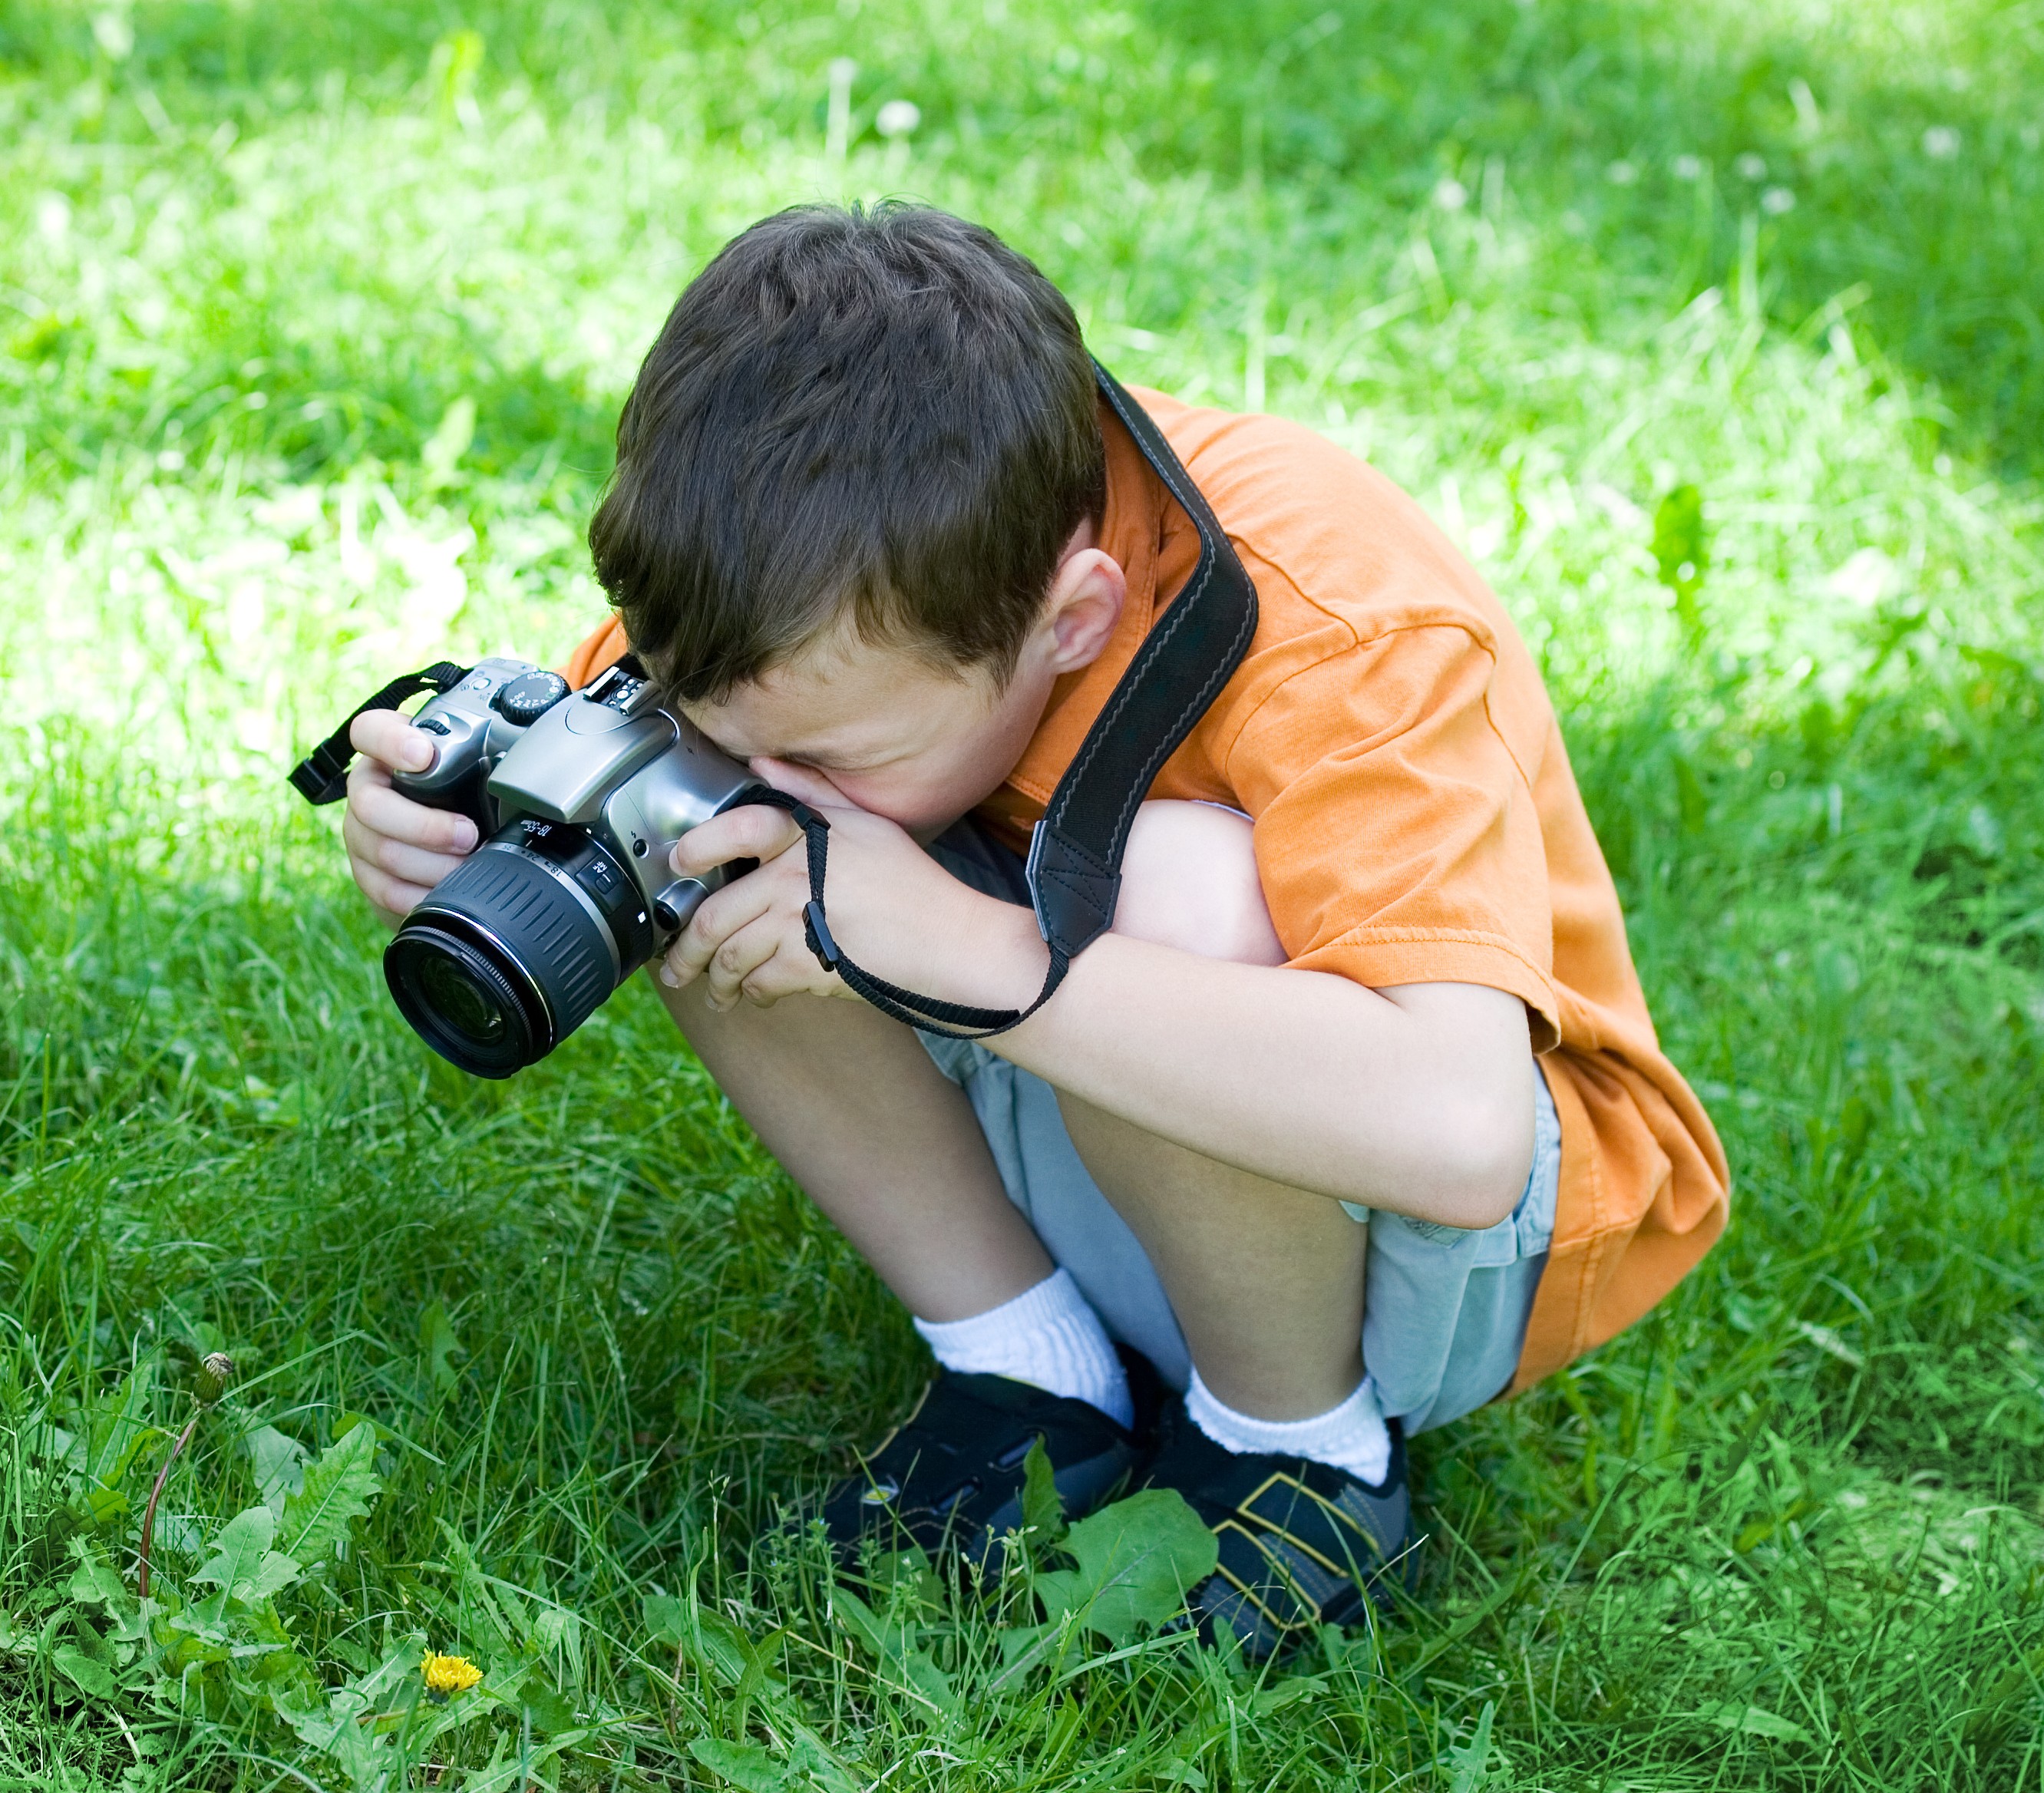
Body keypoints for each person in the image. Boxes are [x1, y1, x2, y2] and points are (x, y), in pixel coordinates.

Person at [338, 202, 1728, 1656]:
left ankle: (1299, 1457)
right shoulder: (816, 613)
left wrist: (968, 947)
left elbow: (1459, 1130)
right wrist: (448, 835)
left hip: (1423, 1246)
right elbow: (695, 772)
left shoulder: (1330, 611)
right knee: (677, 814)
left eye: (844, 757)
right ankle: (1027, 1379)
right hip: (1118, 1148)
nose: (792, 780)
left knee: (1164, 885)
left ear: (1074, 618)